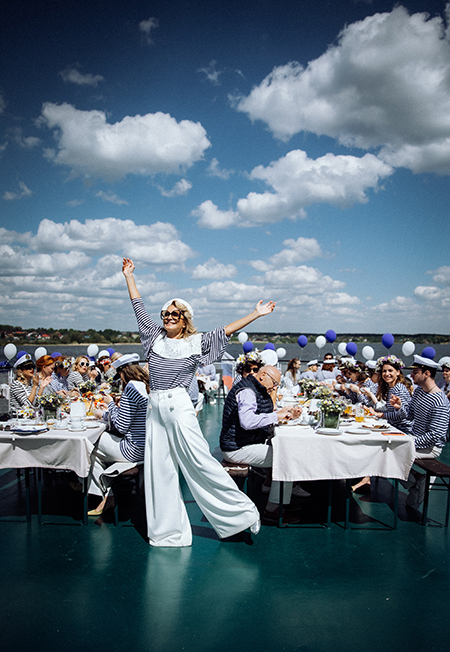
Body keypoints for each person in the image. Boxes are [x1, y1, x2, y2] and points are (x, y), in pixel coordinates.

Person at [122, 257, 274, 547]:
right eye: (165, 313)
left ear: (184, 319)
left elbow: (227, 330)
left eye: (174, 314)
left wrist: (255, 314)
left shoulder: (197, 342)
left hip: (178, 407)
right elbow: (137, 306)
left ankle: (242, 514)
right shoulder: (153, 338)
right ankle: (167, 532)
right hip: (155, 408)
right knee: (160, 470)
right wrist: (129, 276)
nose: (168, 317)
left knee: (201, 463)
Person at [220, 365, 306, 524]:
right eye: (274, 383)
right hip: (236, 448)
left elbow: (261, 411)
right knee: (286, 458)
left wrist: (282, 412)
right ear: (263, 375)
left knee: (283, 453)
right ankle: (272, 510)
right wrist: (276, 416)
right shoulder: (247, 392)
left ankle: (275, 494)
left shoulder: (254, 388)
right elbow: (247, 421)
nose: (275, 387)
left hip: (242, 443)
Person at [86, 353, 149, 516]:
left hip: (132, 450)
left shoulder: (131, 388)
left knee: (88, 444)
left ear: (124, 372)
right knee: (95, 449)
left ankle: (105, 495)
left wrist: (109, 407)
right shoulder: (144, 386)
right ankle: (107, 492)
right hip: (146, 447)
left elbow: (121, 426)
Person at [390, 355, 450, 505]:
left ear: (427, 373)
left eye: (415, 372)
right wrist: (400, 407)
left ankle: (416, 482)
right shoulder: (418, 392)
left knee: (390, 455)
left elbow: (436, 435)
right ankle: (416, 479)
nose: (411, 375)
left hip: (431, 447)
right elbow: (409, 415)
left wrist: (409, 442)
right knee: (386, 452)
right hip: (414, 439)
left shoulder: (440, 401)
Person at [372, 356, 412, 433]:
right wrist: (375, 411)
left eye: (390, 371)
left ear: (398, 372)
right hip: (393, 426)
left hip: (402, 429)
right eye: (384, 371)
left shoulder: (399, 389)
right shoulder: (390, 388)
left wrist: (380, 415)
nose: (387, 374)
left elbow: (401, 415)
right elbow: (390, 410)